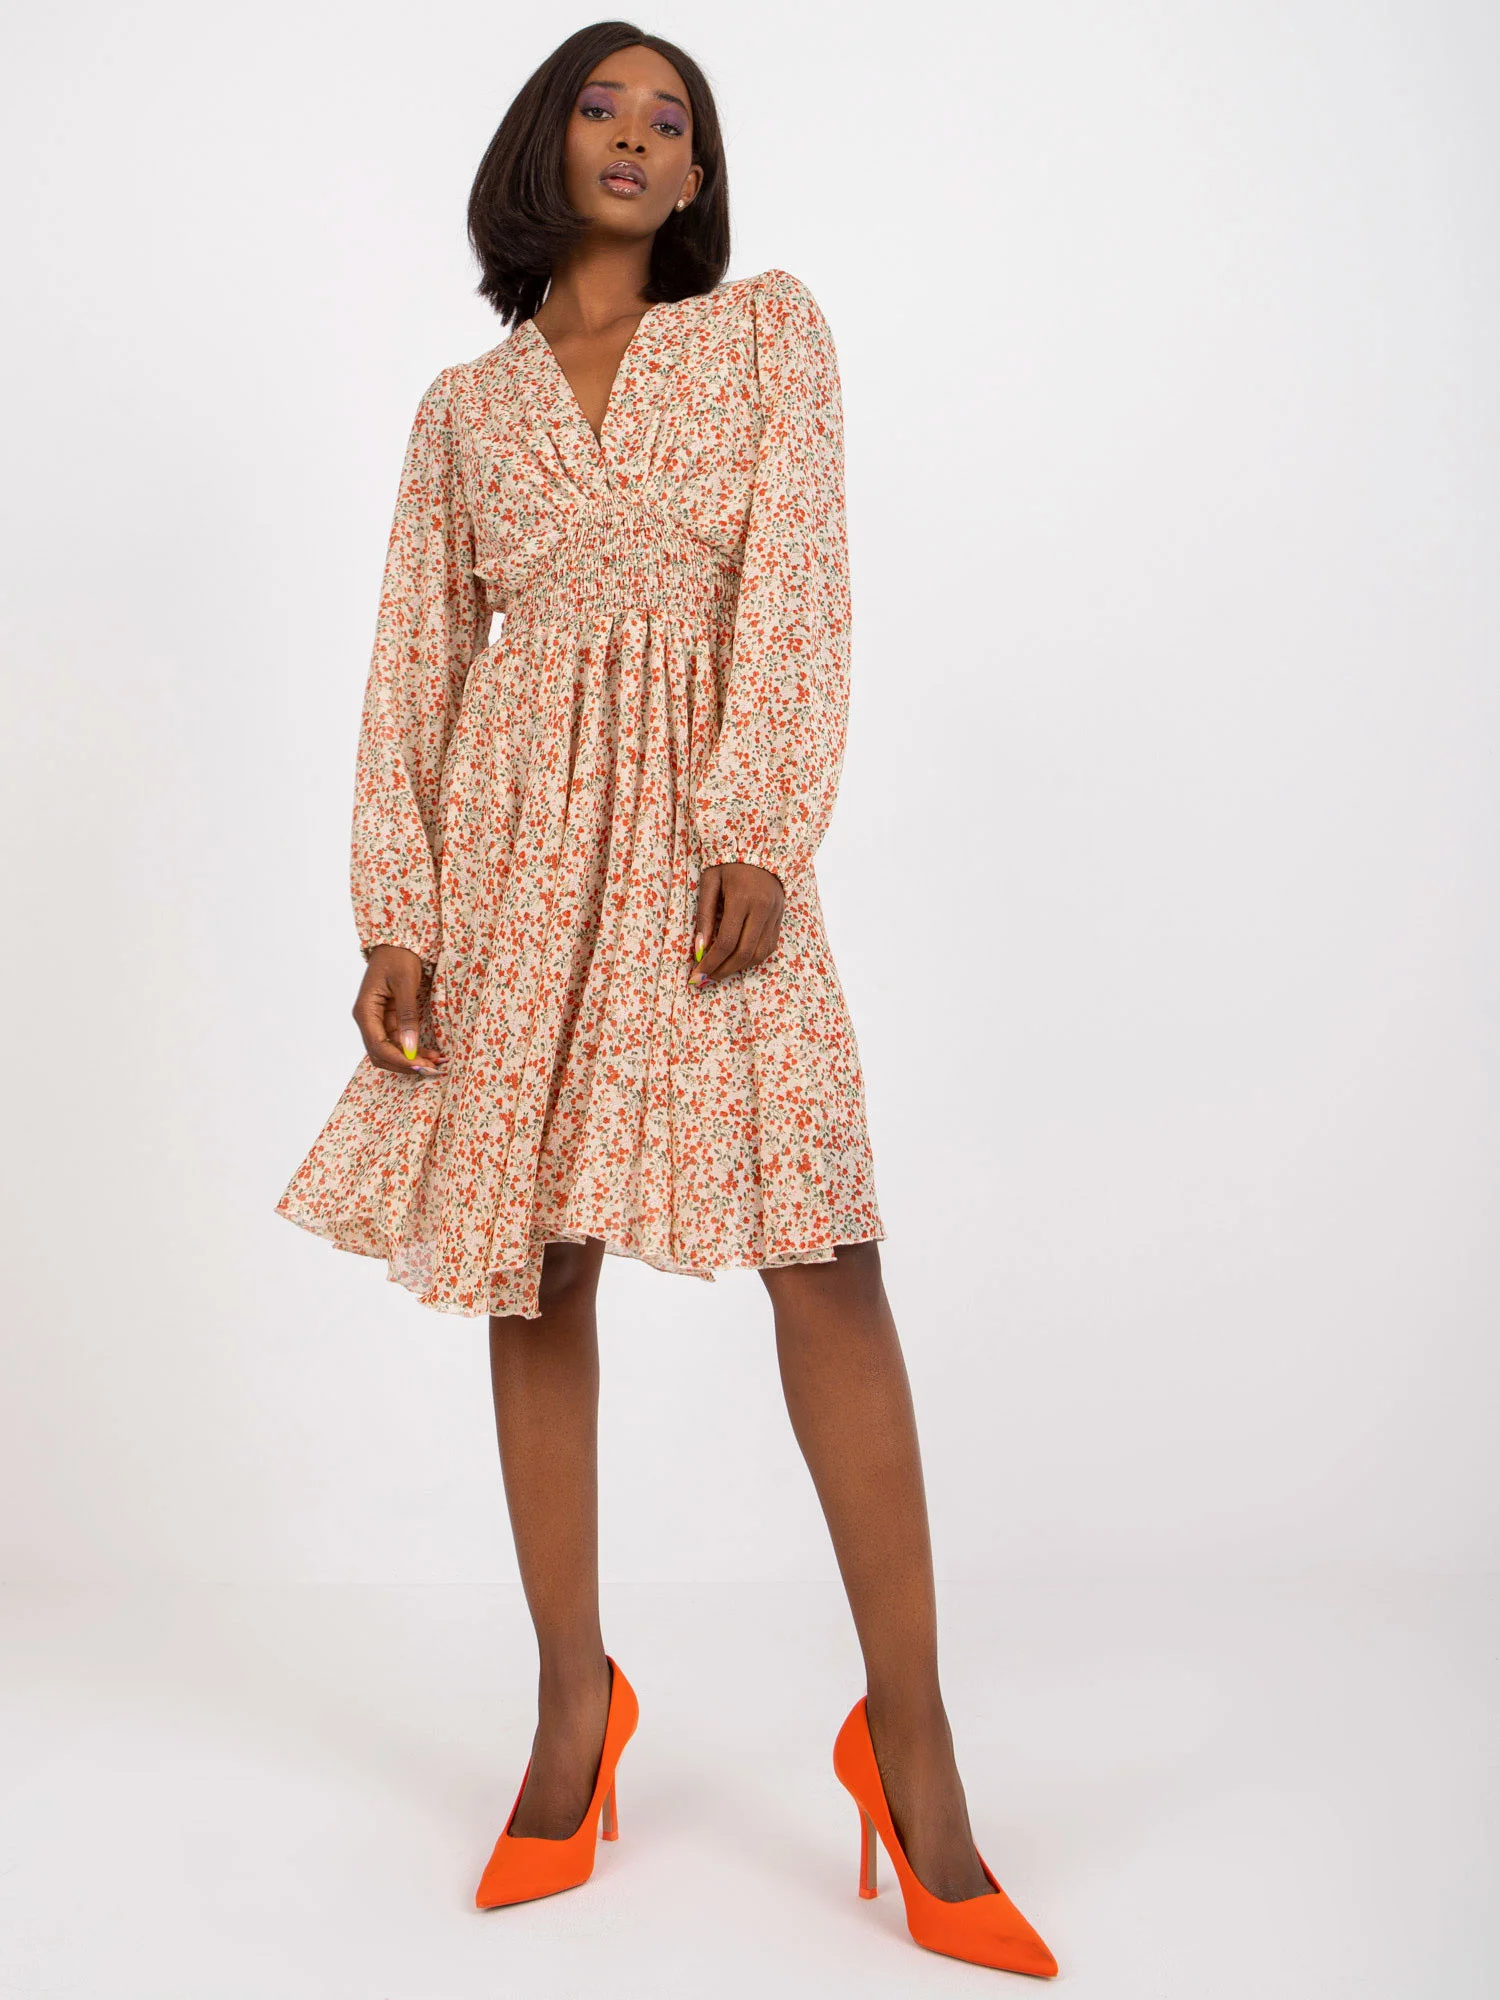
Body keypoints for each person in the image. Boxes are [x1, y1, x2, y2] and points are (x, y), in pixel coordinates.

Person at [275, 21, 1057, 1979]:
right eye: (601, 106)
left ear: (698, 179)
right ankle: (572, 1710)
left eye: (671, 120)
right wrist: (400, 915)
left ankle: (915, 1747)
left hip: (708, 849)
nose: (634, 135)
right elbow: (413, 659)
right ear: (542, 145)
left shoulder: (764, 337)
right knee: (533, 1263)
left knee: (826, 1250)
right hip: (516, 851)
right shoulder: (465, 412)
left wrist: (762, 824)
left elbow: (800, 582)